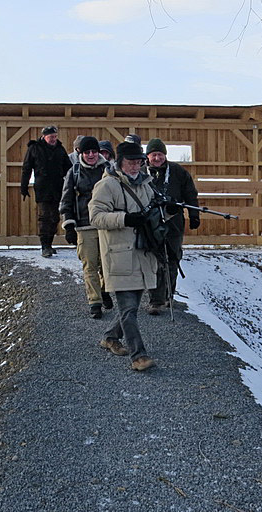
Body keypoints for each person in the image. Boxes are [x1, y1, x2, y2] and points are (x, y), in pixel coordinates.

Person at [89, 141, 158, 371]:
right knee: (128, 310)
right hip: (119, 256)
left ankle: (110, 337)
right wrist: (125, 219)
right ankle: (139, 356)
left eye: (139, 161)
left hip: (141, 255)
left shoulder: (146, 185)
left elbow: (152, 211)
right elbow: (96, 217)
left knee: (131, 308)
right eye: (131, 162)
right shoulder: (106, 185)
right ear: (119, 163)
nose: (135, 166)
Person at [59, 136, 114, 318]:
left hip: (106, 223)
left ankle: (105, 290)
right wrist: (68, 225)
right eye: (87, 152)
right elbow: (66, 199)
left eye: (94, 151)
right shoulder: (73, 172)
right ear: (80, 153)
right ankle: (95, 301)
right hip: (84, 224)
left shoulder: (109, 170)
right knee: (89, 264)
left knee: (107, 263)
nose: (91, 155)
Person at [145, 138, 200, 315]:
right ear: (148, 156)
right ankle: (156, 300)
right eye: (154, 155)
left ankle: (169, 295)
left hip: (174, 222)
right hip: (150, 224)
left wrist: (194, 216)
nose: (157, 158)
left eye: (160, 154)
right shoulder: (141, 173)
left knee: (173, 259)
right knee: (155, 261)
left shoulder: (177, 172)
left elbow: (190, 194)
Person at [20, 125, 72, 257]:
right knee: (44, 216)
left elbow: (68, 168)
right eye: (51, 137)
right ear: (44, 136)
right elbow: (27, 168)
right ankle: (45, 246)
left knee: (55, 217)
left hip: (57, 187)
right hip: (42, 187)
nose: (54, 139)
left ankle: (49, 243)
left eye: (55, 136)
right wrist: (24, 186)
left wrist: (73, 184)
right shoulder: (35, 148)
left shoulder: (60, 149)